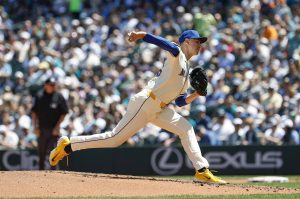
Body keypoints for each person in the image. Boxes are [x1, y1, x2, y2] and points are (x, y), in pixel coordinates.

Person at [49, 30, 226, 183]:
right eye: (197, 41)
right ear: (186, 41)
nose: (200, 45)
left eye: (200, 43)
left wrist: (196, 94)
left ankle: (202, 170)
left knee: (186, 129)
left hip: (160, 109)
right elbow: (166, 44)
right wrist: (143, 36)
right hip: (146, 102)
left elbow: (180, 102)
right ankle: (68, 145)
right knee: (114, 139)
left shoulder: (187, 74)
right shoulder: (177, 53)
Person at [31, 77, 69, 170]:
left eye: (54, 85)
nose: (53, 87)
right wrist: (35, 126)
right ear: (46, 85)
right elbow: (34, 112)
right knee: (41, 154)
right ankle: (40, 173)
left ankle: (54, 176)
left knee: (54, 154)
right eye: (51, 85)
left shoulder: (58, 96)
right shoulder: (39, 96)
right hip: (42, 129)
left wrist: (57, 127)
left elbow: (64, 112)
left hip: (53, 130)